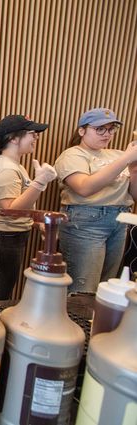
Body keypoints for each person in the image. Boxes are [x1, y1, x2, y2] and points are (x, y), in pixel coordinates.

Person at [54, 108, 137, 293]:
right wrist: (125, 159)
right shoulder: (73, 155)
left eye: (111, 129)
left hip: (120, 220)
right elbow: (84, 188)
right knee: (83, 290)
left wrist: (133, 170)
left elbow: (134, 194)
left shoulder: (117, 155)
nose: (107, 134)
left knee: (107, 288)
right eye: (100, 129)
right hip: (86, 223)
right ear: (82, 130)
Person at [0, 115, 57, 300]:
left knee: (2, 289)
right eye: (32, 133)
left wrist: (35, 222)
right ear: (13, 138)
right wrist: (39, 183)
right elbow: (10, 210)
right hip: (2, 238)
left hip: (8, 238)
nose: (36, 138)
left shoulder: (13, 165)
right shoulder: (6, 168)